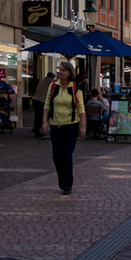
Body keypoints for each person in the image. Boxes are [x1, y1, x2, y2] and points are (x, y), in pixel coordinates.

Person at [41, 61, 86, 195]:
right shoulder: (53, 86)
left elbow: (81, 107)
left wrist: (83, 126)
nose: (60, 72)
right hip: (55, 125)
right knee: (56, 156)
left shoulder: (75, 88)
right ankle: (62, 180)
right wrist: (44, 121)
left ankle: (67, 184)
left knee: (66, 154)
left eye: (63, 70)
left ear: (69, 73)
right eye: (59, 70)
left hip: (70, 125)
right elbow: (47, 103)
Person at [31, 73, 51, 138]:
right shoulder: (50, 82)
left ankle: (36, 129)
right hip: (42, 100)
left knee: (37, 115)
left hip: (35, 99)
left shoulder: (40, 80)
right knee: (43, 115)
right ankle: (37, 128)